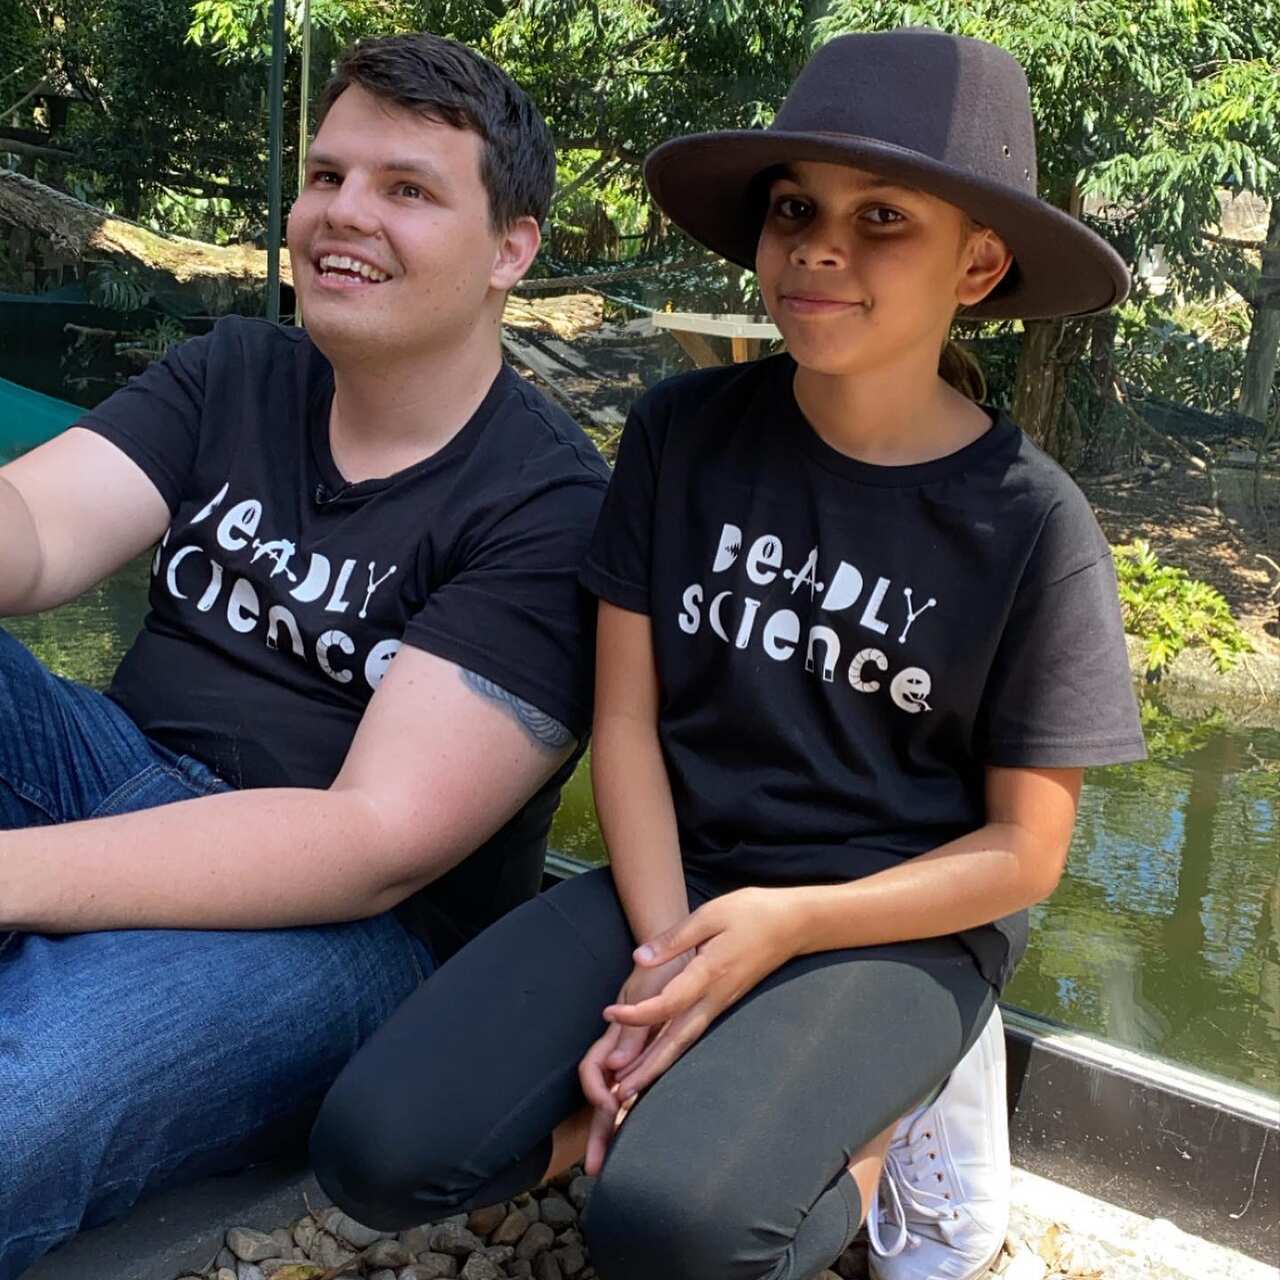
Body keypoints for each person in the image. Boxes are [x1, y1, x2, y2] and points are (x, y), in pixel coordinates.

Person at [309, 28, 1146, 1280]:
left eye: (882, 220)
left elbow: (1023, 853)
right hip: (684, 874)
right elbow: (628, 722)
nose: (818, 244)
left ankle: (878, 1127)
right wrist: (668, 975)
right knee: (373, 1149)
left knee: (673, 1233)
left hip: (891, 918)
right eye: (796, 206)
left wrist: (784, 927)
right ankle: (638, 1120)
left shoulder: (1029, 521)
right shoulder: (681, 433)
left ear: (977, 263)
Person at [0, 33, 609, 1280]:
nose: (342, 214)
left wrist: (11, 875)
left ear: (511, 248)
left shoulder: (551, 509)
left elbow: (370, 839)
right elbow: (37, 536)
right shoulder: (232, 369)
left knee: (21, 1103)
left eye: (405, 188)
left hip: (339, 933)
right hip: (108, 772)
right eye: (326, 176)